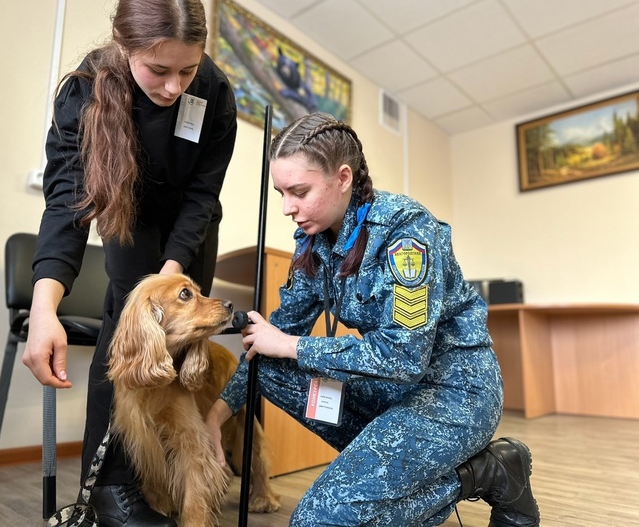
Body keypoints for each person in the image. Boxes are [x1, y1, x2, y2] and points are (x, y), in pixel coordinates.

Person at [206, 112, 539, 527]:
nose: (288, 208)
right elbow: (268, 339)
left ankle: (484, 473)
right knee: (268, 363)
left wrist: (293, 344)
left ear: (343, 178)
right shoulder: (314, 243)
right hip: (388, 394)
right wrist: (215, 418)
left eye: (300, 191)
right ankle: (383, 462)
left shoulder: (405, 232)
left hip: (453, 392)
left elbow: (403, 356)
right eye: (281, 193)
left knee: (317, 521)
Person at [21, 0, 237, 525]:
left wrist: (174, 273)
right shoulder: (85, 94)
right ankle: (112, 491)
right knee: (129, 333)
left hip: (193, 227)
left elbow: (202, 195)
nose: (174, 86)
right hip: (128, 217)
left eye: (186, 72)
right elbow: (67, 208)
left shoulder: (213, 90)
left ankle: (182, 485)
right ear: (124, 45)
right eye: (159, 69)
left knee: (184, 347)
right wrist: (45, 310)